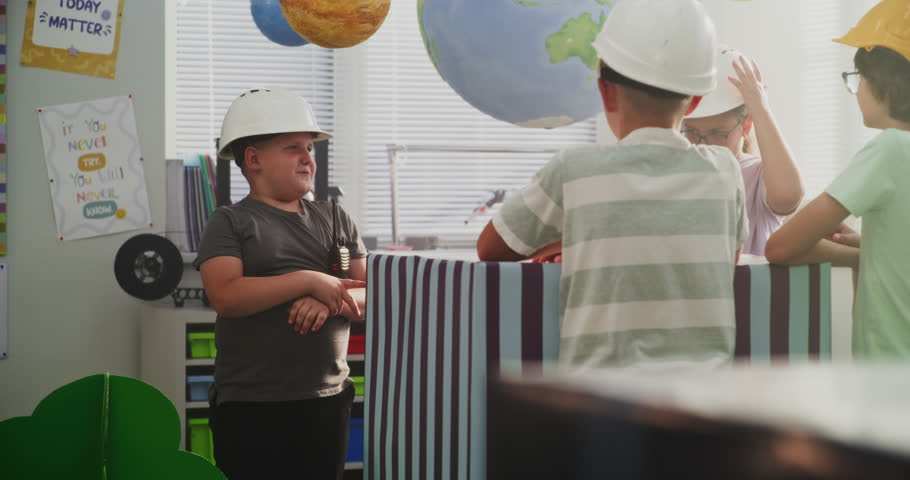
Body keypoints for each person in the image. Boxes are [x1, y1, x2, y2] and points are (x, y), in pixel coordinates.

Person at [477, 0, 748, 370]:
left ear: (604, 91)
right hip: (703, 405)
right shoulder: (725, 172)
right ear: (695, 102)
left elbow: (491, 247)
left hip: (601, 402)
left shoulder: (574, 170)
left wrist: (578, 239)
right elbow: (724, 258)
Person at [194, 87, 368, 479]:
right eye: (293, 148)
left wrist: (328, 299)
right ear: (253, 158)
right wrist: (307, 280)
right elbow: (227, 296)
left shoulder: (336, 217)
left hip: (327, 400)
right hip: (252, 406)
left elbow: (373, 292)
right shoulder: (230, 222)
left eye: (310, 147)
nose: (308, 158)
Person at [766, 0, 910, 359]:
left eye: (858, 79)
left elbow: (780, 248)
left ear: (888, 85)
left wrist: (854, 257)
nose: (857, 91)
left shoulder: (890, 149)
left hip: (888, 376)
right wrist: (867, 247)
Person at [682, 46, 804, 256]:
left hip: (747, 287)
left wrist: (760, 108)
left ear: (746, 126)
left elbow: (788, 197)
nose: (704, 144)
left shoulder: (755, 174)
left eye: (717, 133)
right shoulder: (680, 173)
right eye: (691, 131)